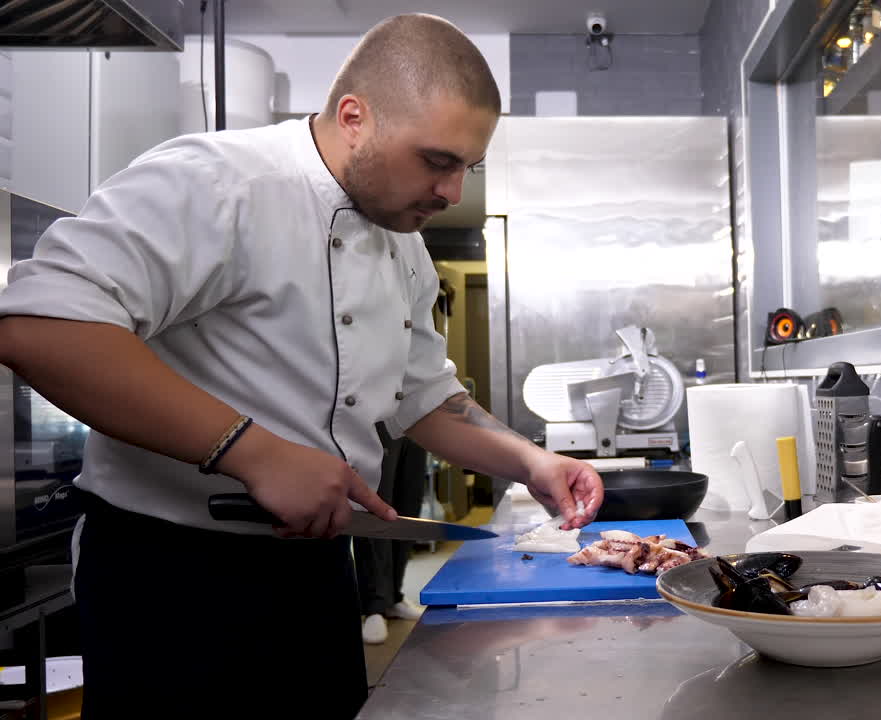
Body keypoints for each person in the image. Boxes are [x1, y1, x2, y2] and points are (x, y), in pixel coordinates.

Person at [0, 14, 603, 720]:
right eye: (436, 160)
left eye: (467, 169)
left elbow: (424, 395)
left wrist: (532, 463)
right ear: (354, 117)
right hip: (170, 576)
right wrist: (252, 451)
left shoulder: (400, 240)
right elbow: (40, 324)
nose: (448, 190)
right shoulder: (217, 181)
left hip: (316, 568)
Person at [356, 422, 428, 644]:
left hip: (412, 416)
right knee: (377, 506)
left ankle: (394, 596)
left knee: (408, 505)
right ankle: (374, 606)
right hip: (375, 415)